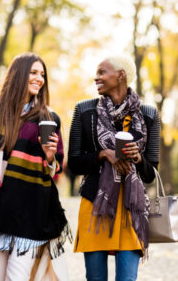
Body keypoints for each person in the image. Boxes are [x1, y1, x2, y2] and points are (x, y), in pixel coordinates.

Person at [0, 52, 71, 281]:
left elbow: (55, 167)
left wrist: (49, 157)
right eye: (33, 72)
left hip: (31, 216)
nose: (39, 78)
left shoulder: (49, 118)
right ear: (18, 75)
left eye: (42, 74)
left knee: (17, 278)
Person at [68, 55, 160, 281]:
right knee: (96, 278)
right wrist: (102, 154)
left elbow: (151, 173)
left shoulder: (148, 115)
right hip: (95, 206)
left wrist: (138, 158)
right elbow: (74, 163)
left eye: (102, 72)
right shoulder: (84, 110)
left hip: (132, 208)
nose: (96, 77)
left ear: (121, 75)